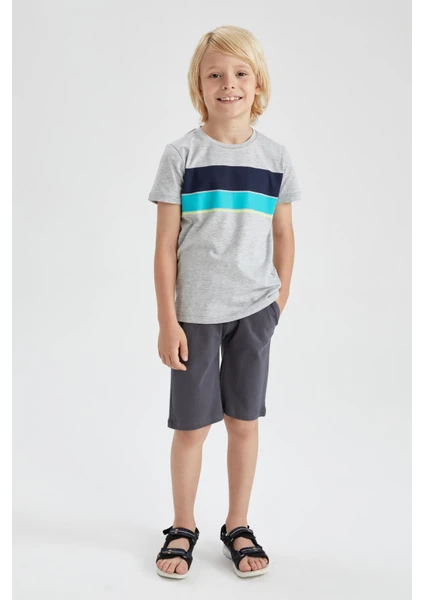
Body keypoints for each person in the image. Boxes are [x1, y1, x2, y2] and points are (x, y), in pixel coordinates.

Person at [148, 25, 301, 579]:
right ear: (199, 85)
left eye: (239, 73)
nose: (228, 83)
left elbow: (283, 234)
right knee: (191, 427)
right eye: (214, 74)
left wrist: (277, 303)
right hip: (194, 315)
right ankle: (182, 526)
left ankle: (237, 524)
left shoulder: (275, 158)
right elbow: (165, 246)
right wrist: (167, 320)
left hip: (255, 312)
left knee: (243, 422)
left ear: (258, 84)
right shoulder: (181, 154)